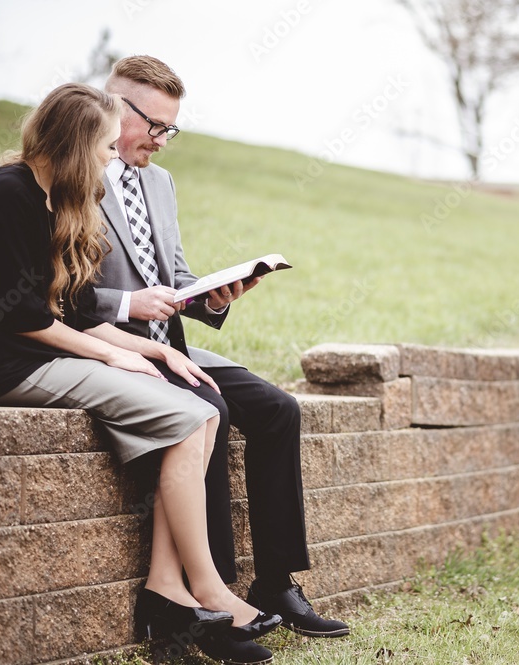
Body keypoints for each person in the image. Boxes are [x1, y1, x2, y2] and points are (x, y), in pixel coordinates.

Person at [0, 83, 281, 665]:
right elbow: (20, 317)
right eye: (107, 147)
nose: (114, 159)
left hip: (56, 355)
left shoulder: (55, 199)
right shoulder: (7, 196)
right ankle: (203, 587)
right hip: (15, 369)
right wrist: (115, 354)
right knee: (190, 417)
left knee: (201, 410)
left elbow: (79, 311)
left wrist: (157, 354)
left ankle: (168, 588)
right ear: (79, 142)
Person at [92, 54, 350, 642]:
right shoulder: (78, 173)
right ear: (113, 105)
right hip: (116, 349)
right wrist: (129, 307)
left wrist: (214, 297)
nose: (161, 141)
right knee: (212, 408)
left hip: (174, 341)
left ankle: (275, 580)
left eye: (170, 130)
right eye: (153, 126)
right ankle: (216, 597)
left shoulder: (160, 182)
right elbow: (62, 293)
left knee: (279, 409)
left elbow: (176, 276)